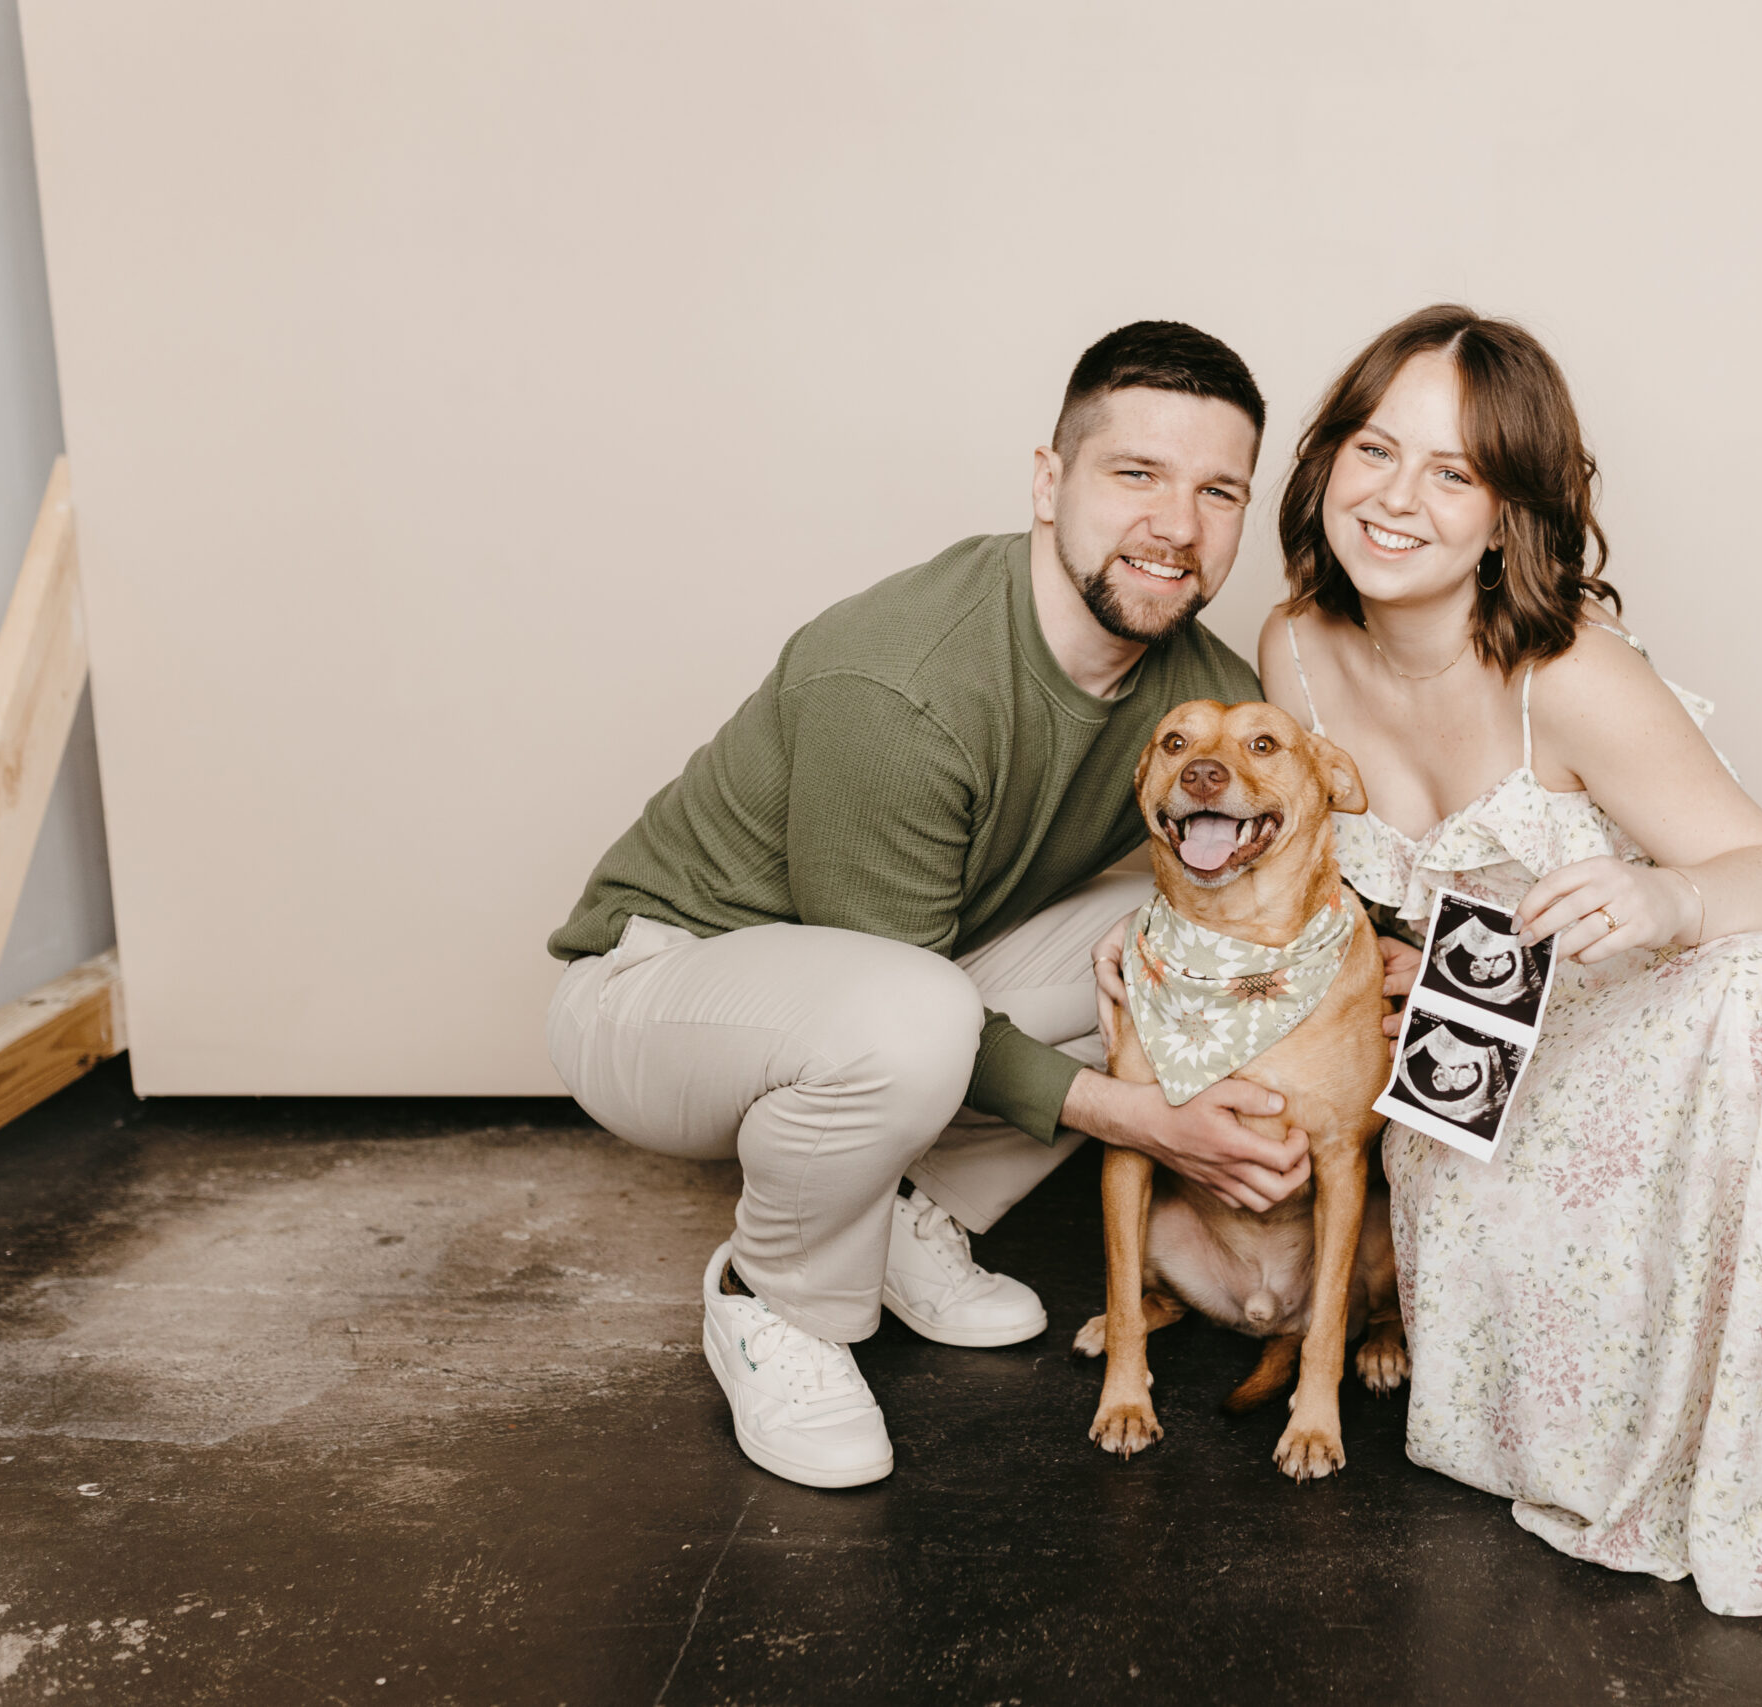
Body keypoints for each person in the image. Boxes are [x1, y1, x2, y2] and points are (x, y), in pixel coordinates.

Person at [1254, 305, 1762, 1618]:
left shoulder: (1566, 670)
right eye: (1373, 448)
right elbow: (1316, 882)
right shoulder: (1292, 650)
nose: (1398, 497)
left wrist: (1665, 895)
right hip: (1465, 1060)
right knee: (1508, 1412)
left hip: (1636, 1034)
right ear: (1326, 463)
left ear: (1508, 512)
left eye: (1453, 471)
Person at [545, 322, 1326, 1491]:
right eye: (1136, 476)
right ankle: (778, 1303)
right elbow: (894, 993)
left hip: (892, 981)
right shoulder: (901, 682)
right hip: (658, 988)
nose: (1178, 525)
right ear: (1048, 481)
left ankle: (902, 1209)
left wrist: (1388, 960)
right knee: (907, 1019)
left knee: (1157, 932)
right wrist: (1149, 1121)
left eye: (1218, 491)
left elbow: (1271, 879)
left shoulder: (1201, 694)